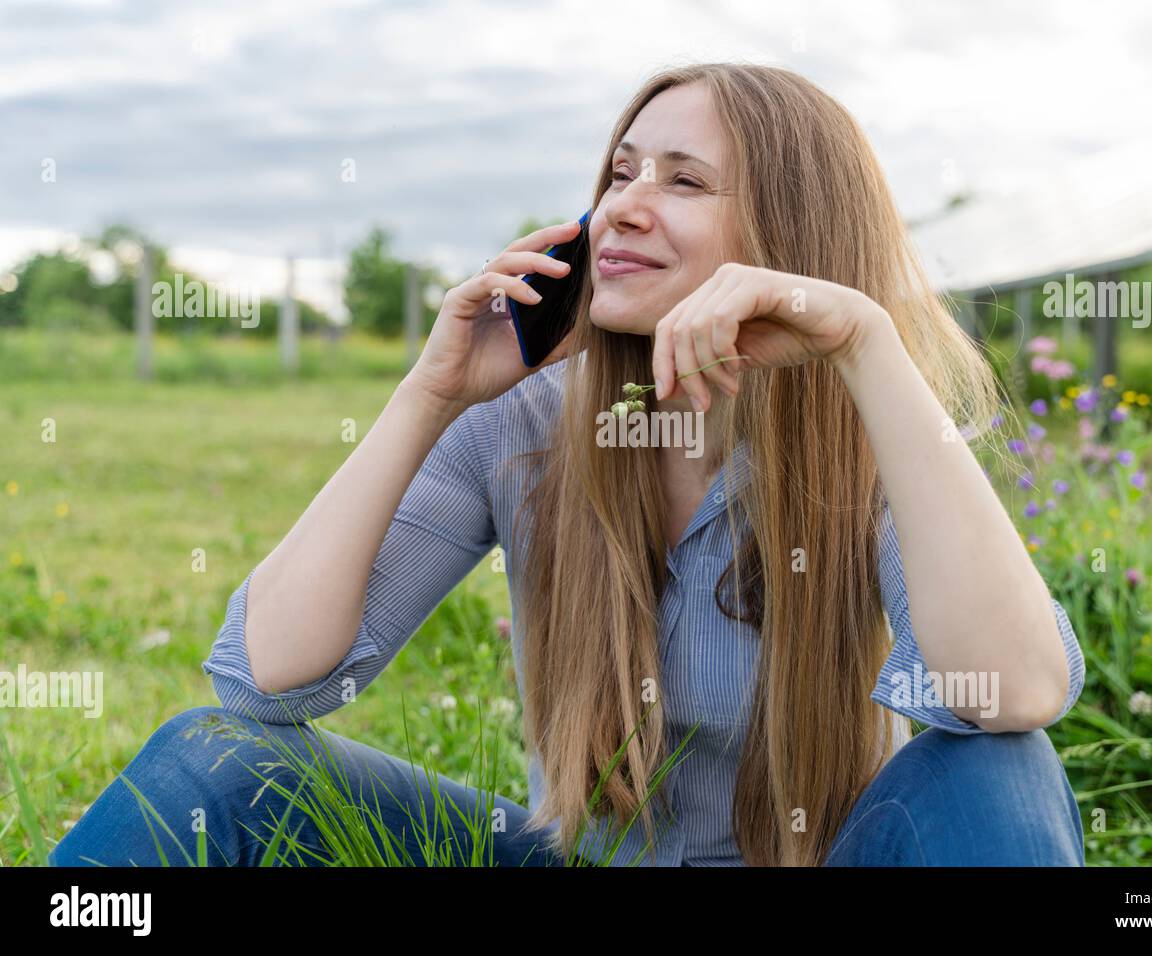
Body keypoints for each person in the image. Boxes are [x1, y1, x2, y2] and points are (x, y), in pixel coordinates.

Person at [51, 62, 1086, 868]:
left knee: (998, 762)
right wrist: (430, 395)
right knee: (214, 759)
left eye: (683, 181)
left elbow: (1010, 688)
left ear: (791, 231)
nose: (625, 205)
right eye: (620, 171)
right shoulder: (522, 420)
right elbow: (265, 682)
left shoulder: (881, 437)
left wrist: (865, 342)